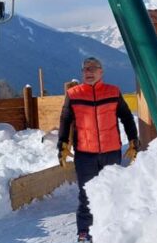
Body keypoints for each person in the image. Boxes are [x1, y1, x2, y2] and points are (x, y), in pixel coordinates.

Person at [57, 57, 139, 243]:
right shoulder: (73, 94)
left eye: (93, 68)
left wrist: (134, 140)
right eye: (85, 68)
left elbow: (126, 117)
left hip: (111, 152)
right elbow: (65, 120)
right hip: (85, 154)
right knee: (86, 195)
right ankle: (84, 233)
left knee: (112, 191)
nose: (89, 71)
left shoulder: (113, 92)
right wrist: (62, 143)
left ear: (101, 72)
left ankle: (112, 231)